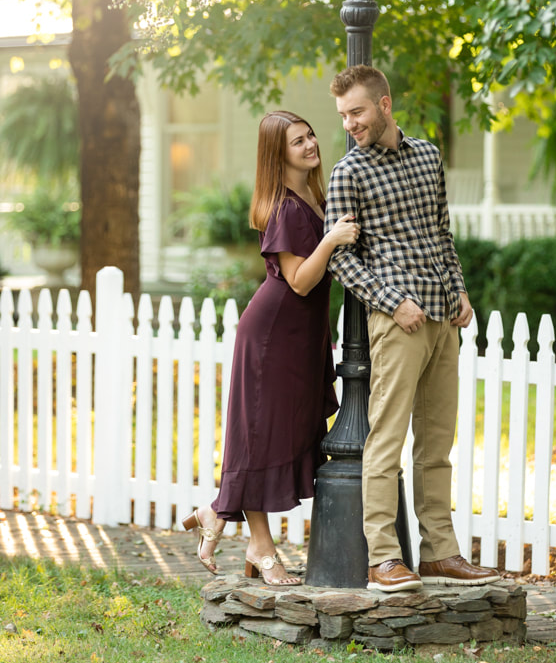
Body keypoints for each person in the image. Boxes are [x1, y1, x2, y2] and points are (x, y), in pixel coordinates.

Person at [324, 65, 500, 593]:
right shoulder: (347, 172)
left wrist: (460, 289)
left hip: (444, 317)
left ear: (384, 104)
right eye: (343, 116)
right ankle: (383, 559)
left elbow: (440, 232)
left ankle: (440, 553)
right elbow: (341, 260)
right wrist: (391, 302)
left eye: (356, 111)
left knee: (436, 445)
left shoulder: (427, 155)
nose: (350, 123)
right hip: (398, 321)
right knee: (387, 440)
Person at [183, 110, 360, 585]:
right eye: (297, 142)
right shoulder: (283, 206)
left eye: (310, 136)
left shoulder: (315, 194)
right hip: (272, 335)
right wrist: (333, 239)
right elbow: (301, 281)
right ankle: (260, 547)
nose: (310, 145)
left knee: (284, 432)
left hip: (302, 336)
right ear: (276, 154)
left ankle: (216, 514)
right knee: (261, 436)